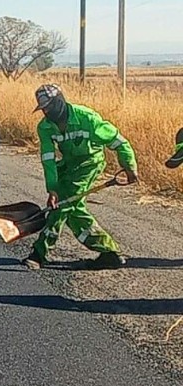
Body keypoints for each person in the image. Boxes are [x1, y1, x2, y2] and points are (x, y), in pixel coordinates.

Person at [24, 84, 139, 270]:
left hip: (90, 164)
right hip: (68, 165)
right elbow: (48, 159)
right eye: (43, 108)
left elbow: (119, 142)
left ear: (60, 101)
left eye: (49, 106)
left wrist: (129, 166)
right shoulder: (45, 127)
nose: (46, 111)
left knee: (63, 203)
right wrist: (52, 188)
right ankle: (109, 252)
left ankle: (39, 253)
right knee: (71, 209)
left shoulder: (87, 118)